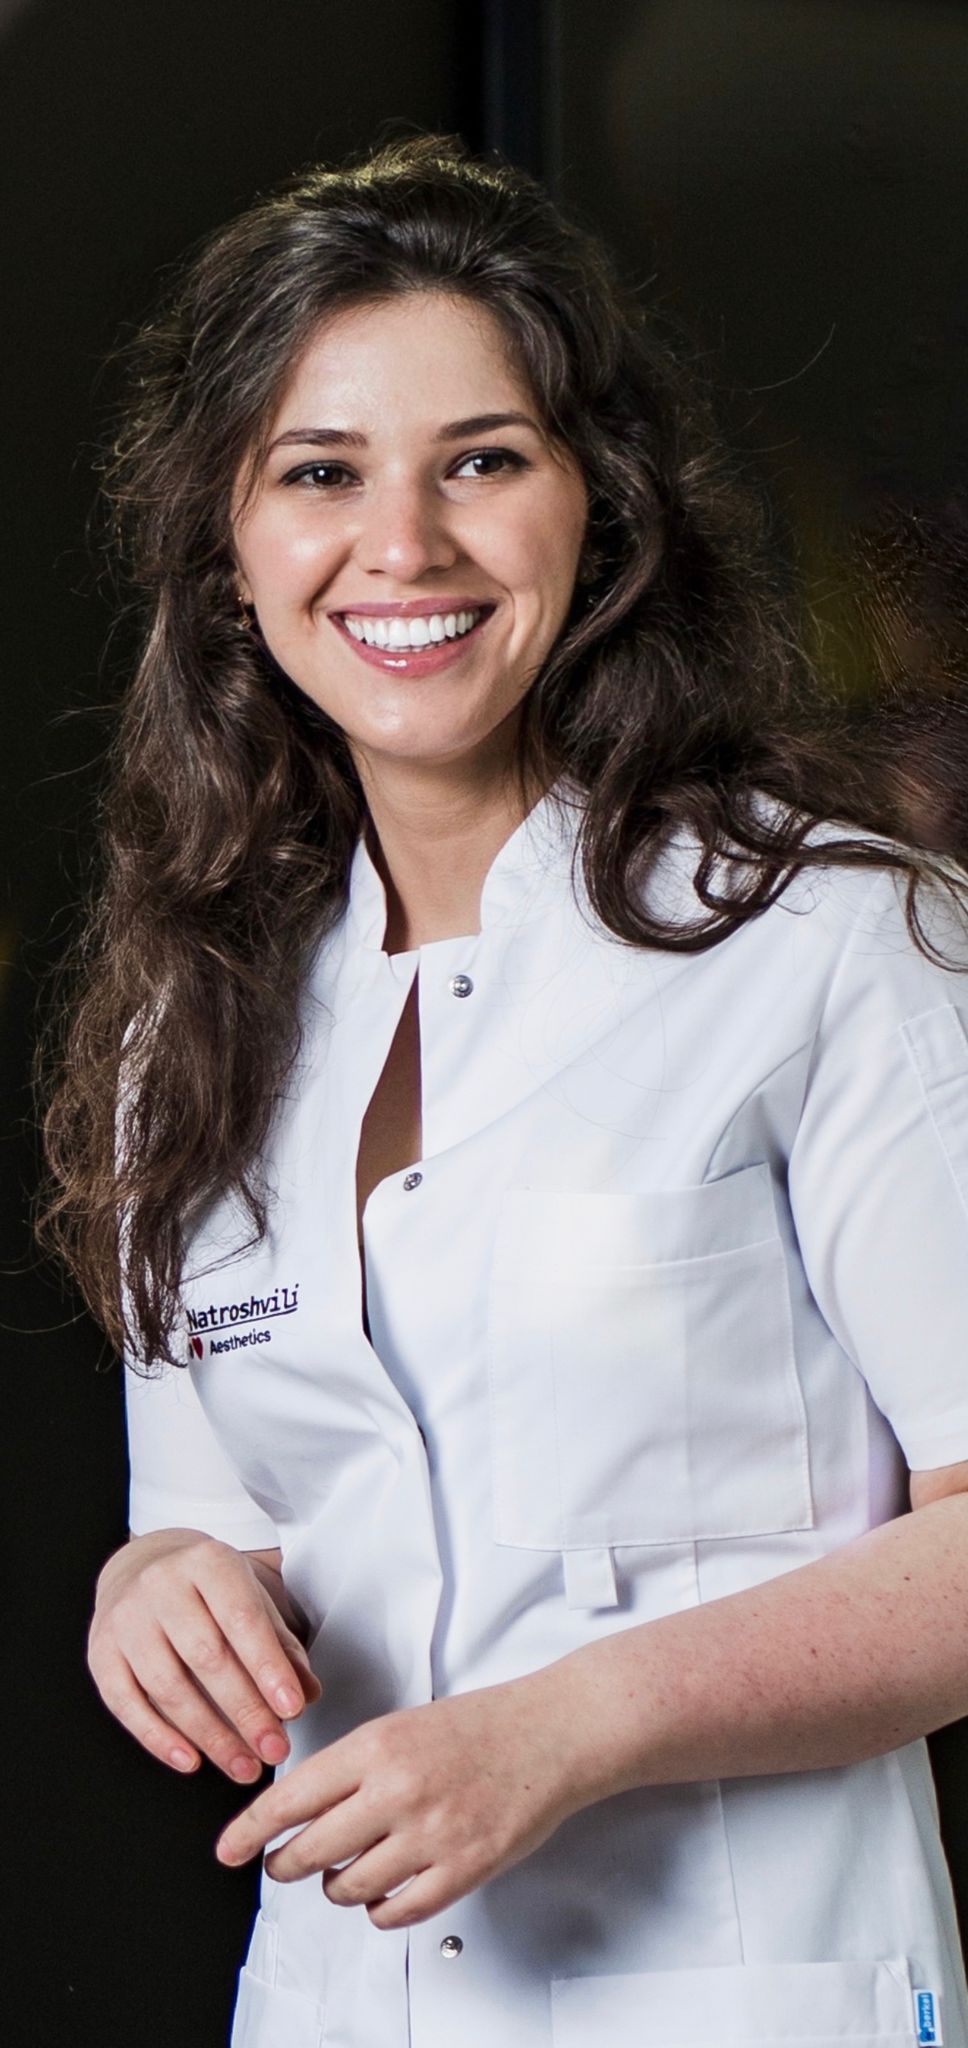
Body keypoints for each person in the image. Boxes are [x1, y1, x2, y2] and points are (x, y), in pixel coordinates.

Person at [39, 134, 968, 2048]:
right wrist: (157, 1583)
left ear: (600, 510)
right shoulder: (191, 1023)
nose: (405, 546)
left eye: (482, 460)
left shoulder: (832, 944)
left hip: (740, 1992)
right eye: (320, 472)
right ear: (229, 542)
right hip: (335, 1999)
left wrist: (575, 1725)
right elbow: (222, 1522)